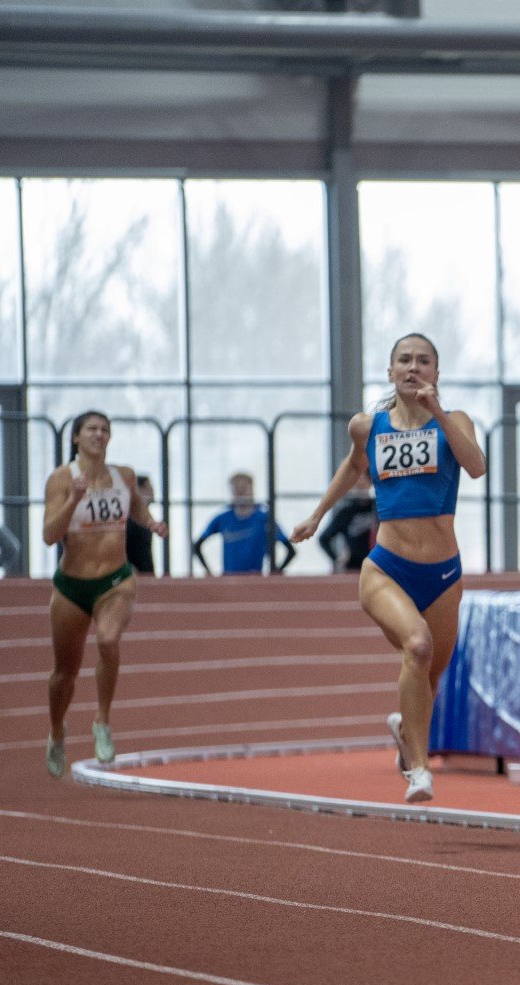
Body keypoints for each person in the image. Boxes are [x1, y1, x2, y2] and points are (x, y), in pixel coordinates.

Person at [292, 332, 485, 803]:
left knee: (430, 679)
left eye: (423, 361)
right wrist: (317, 515)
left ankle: (406, 733)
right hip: (385, 569)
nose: (413, 368)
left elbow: (476, 466)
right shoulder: (368, 425)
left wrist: (437, 411)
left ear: (436, 373)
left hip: (442, 574)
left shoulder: (454, 421)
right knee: (416, 647)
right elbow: (352, 467)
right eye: (405, 360)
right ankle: (418, 770)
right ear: (390, 371)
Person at [41, 411, 169, 777]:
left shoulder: (123, 475)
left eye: (105, 430)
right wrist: (73, 500)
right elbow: (49, 535)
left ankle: (102, 720)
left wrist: (151, 522)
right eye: (92, 429)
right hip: (71, 586)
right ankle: (56, 730)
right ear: (76, 437)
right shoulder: (61, 480)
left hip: (116, 579)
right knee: (64, 674)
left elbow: (138, 505)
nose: (100, 435)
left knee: (109, 640)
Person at [192, 472, 295, 576]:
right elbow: (197, 546)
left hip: (254, 581)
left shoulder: (264, 518)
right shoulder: (222, 518)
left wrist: (277, 571)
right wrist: (208, 572)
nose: (240, 493)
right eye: (236, 489)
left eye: (244, 488)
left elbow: (290, 550)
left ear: (252, 490)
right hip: (229, 581)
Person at [318, 474, 377, 571]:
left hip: (379, 566)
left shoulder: (379, 508)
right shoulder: (346, 512)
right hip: (355, 568)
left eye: (362, 483)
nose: (359, 486)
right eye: (356, 484)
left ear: (370, 483)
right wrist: (337, 559)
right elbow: (324, 538)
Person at [126, 475, 156, 575]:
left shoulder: (147, 520)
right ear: (139, 490)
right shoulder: (131, 519)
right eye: (149, 488)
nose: (153, 492)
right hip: (136, 576)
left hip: (146, 574)